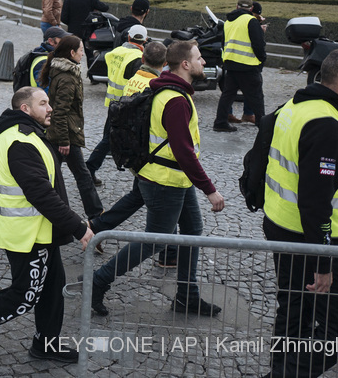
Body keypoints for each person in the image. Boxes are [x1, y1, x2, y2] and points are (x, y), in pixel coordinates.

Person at [0, 87, 94, 365]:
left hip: (39, 231)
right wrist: (78, 226)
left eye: (49, 102)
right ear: (25, 109)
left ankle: (45, 345)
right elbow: (40, 193)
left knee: (52, 288)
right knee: (24, 295)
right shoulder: (21, 141)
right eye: (43, 103)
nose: (50, 108)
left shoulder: (28, 135)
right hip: (27, 234)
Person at [86, 40, 225, 317]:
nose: (204, 63)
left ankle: (187, 296)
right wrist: (210, 190)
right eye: (199, 58)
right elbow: (184, 152)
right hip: (165, 180)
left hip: (173, 178)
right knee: (156, 241)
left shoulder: (172, 91)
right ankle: (98, 281)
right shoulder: (175, 100)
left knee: (193, 232)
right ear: (185, 64)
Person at [263, 48, 338, 377]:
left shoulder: (297, 105)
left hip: (280, 225)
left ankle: (278, 370)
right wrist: (323, 261)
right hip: (310, 239)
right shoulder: (326, 124)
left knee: (293, 310)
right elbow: (315, 200)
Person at [39, 34, 103, 218]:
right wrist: (64, 141)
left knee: (52, 174)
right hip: (65, 134)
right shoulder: (67, 77)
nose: (83, 54)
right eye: (81, 50)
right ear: (72, 52)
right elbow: (59, 112)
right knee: (82, 176)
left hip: (62, 133)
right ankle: (96, 214)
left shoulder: (65, 71)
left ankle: (49, 209)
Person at [86, 24, 149, 185]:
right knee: (123, 140)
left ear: (128, 37)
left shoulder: (115, 53)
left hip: (112, 102)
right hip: (127, 106)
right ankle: (90, 168)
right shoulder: (136, 58)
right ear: (145, 40)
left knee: (108, 138)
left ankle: (90, 168)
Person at [213, 0, 267, 132]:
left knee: (228, 94)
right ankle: (263, 127)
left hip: (231, 63)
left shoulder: (228, 21)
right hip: (248, 65)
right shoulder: (251, 21)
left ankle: (220, 122)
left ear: (237, 6)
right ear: (252, 8)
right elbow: (258, 44)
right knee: (256, 96)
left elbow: (223, 43)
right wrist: (262, 59)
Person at [59, 0, 108, 64]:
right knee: (90, 55)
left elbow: (64, 18)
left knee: (72, 54)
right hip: (88, 31)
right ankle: (91, 74)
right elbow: (105, 7)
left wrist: (72, 22)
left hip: (73, 31)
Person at [18, 27, 68, 93]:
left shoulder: (43, 53)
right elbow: (45, 90)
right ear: (51, 41)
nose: (65, 43)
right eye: (62, 40)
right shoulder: (43, 62)